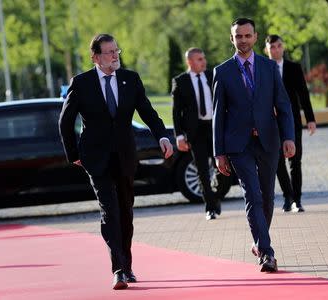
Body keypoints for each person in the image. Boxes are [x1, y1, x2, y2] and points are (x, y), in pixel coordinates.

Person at [59, 33, 173, 290]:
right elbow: (65, 121)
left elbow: (147, 111)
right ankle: (118, 269)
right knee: (109, 211)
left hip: (124, 155)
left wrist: (162, 136)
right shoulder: (82, 82)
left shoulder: (130, 79)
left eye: (116, 51)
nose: (114, 56)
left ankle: (128, 265)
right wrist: (74, 154)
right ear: (96, 57)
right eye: (109, 52)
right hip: (95, 158)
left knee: (125, 211)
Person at [212, 18, 295, 272]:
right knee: (253, 196)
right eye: (239, 36)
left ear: (256, 37)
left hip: (269, 141)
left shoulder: (269, 68)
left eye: (247, 36)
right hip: (238, 144)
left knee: (268, 198)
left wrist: (288, 136)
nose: (243, 40)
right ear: (232, 39)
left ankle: (259, 241)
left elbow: (283, 105)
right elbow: (218, 115)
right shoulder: (222, 71)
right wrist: (219, 152)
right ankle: (267, 254)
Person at [264, 34, 316, 213]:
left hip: (292, 121)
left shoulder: (294, 68)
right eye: (272, 47)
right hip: (270, 123)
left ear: (283, 47)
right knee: (277, 161)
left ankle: (297, 200)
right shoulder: (262, 68)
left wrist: (310, 119)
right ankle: (288, 196)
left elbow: (303, 94)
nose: (276, 50)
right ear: (267, 50)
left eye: (278, 46)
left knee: (295, 160)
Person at [172, 47, 221, 220]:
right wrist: (179, 136)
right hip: (196, 132)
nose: (204, 61)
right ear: (190, 62)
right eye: (199, 59)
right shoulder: (181, 81)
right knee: (202, 171)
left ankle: (216, 196)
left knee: (221, 166)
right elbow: (176, 112)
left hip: (215, 128)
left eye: (204, 58)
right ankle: (210, 207)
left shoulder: (211, 76)